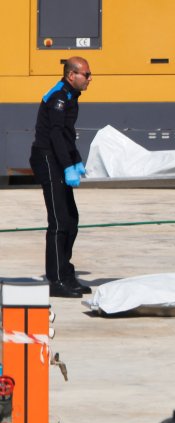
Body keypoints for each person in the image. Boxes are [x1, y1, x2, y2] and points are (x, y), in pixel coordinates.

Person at [29, 57, 92, 298]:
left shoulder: (70, 96)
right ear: (71, 75)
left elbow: (67, 134)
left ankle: (65, 274)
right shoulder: (58, 97)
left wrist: (75, 160)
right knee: (59, 221)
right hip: (47, 159)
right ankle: (55, 280)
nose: (90, 78)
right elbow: (55, 135)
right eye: (86, 74)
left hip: (59, 159)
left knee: (72, 219)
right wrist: (67, 166)